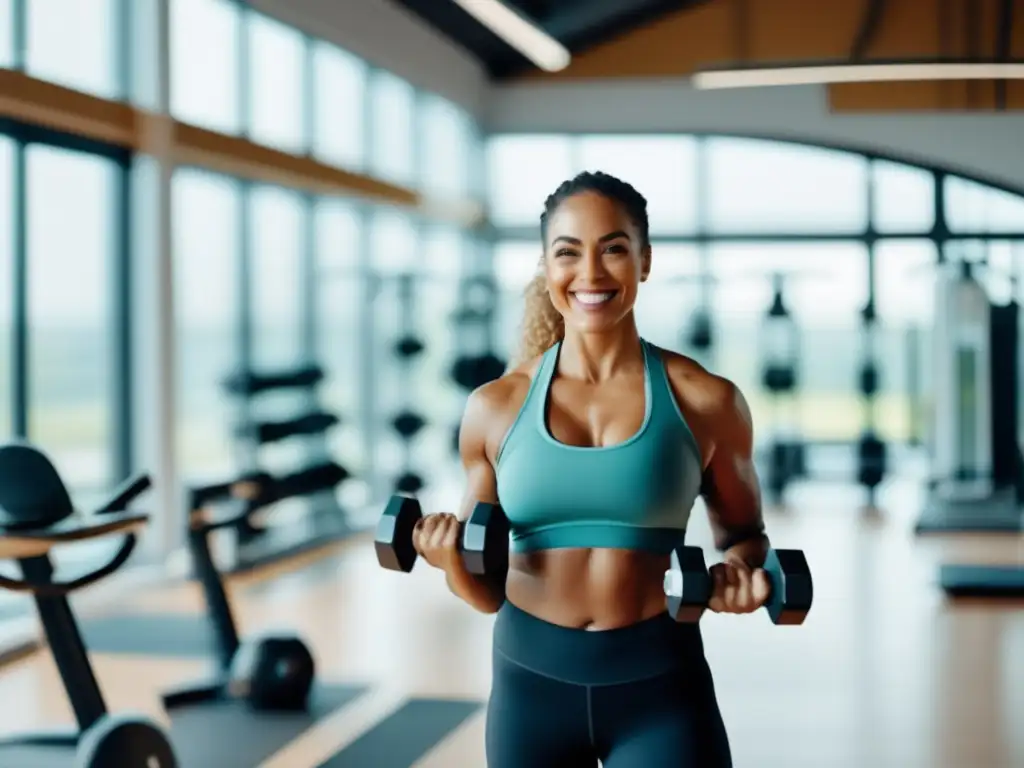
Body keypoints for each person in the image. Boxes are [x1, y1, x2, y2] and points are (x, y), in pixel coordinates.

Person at [413, 171, 773, 767]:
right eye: (568, 252)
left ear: (645, 260)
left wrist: (737, 575)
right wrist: (451, 556)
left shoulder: (707, 401)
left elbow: (745, 538)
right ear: (546, 265)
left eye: (613, 248)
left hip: (662, 689)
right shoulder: (494, 409)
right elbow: (483, 590)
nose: (591, 273)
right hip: (530, 692)